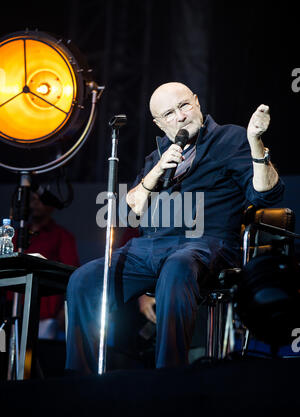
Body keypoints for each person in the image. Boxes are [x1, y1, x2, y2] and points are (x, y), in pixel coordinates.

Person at [65, 82, 284, 374]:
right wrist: (155, 172)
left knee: (177, 266)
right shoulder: (156, 156)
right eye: (168, 113)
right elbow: (128, 212)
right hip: (148, 248)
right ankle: (79, 380)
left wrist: (256, 142)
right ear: (159, 123)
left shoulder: (229, 138)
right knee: (84, 279)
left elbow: (267, 194)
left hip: (206, 242)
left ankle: (169, 378)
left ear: (196, 101)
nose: (180, 117)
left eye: (184, 106)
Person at [11, 191, 80, 339]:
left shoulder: (61, 236)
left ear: (51, 206)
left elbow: (72, 275)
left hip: (45, 314)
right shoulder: (17, 234)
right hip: (14, 311)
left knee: (40, 356)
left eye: (40, 200)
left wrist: (64, 310)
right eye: (32, 199)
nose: (34, 204)